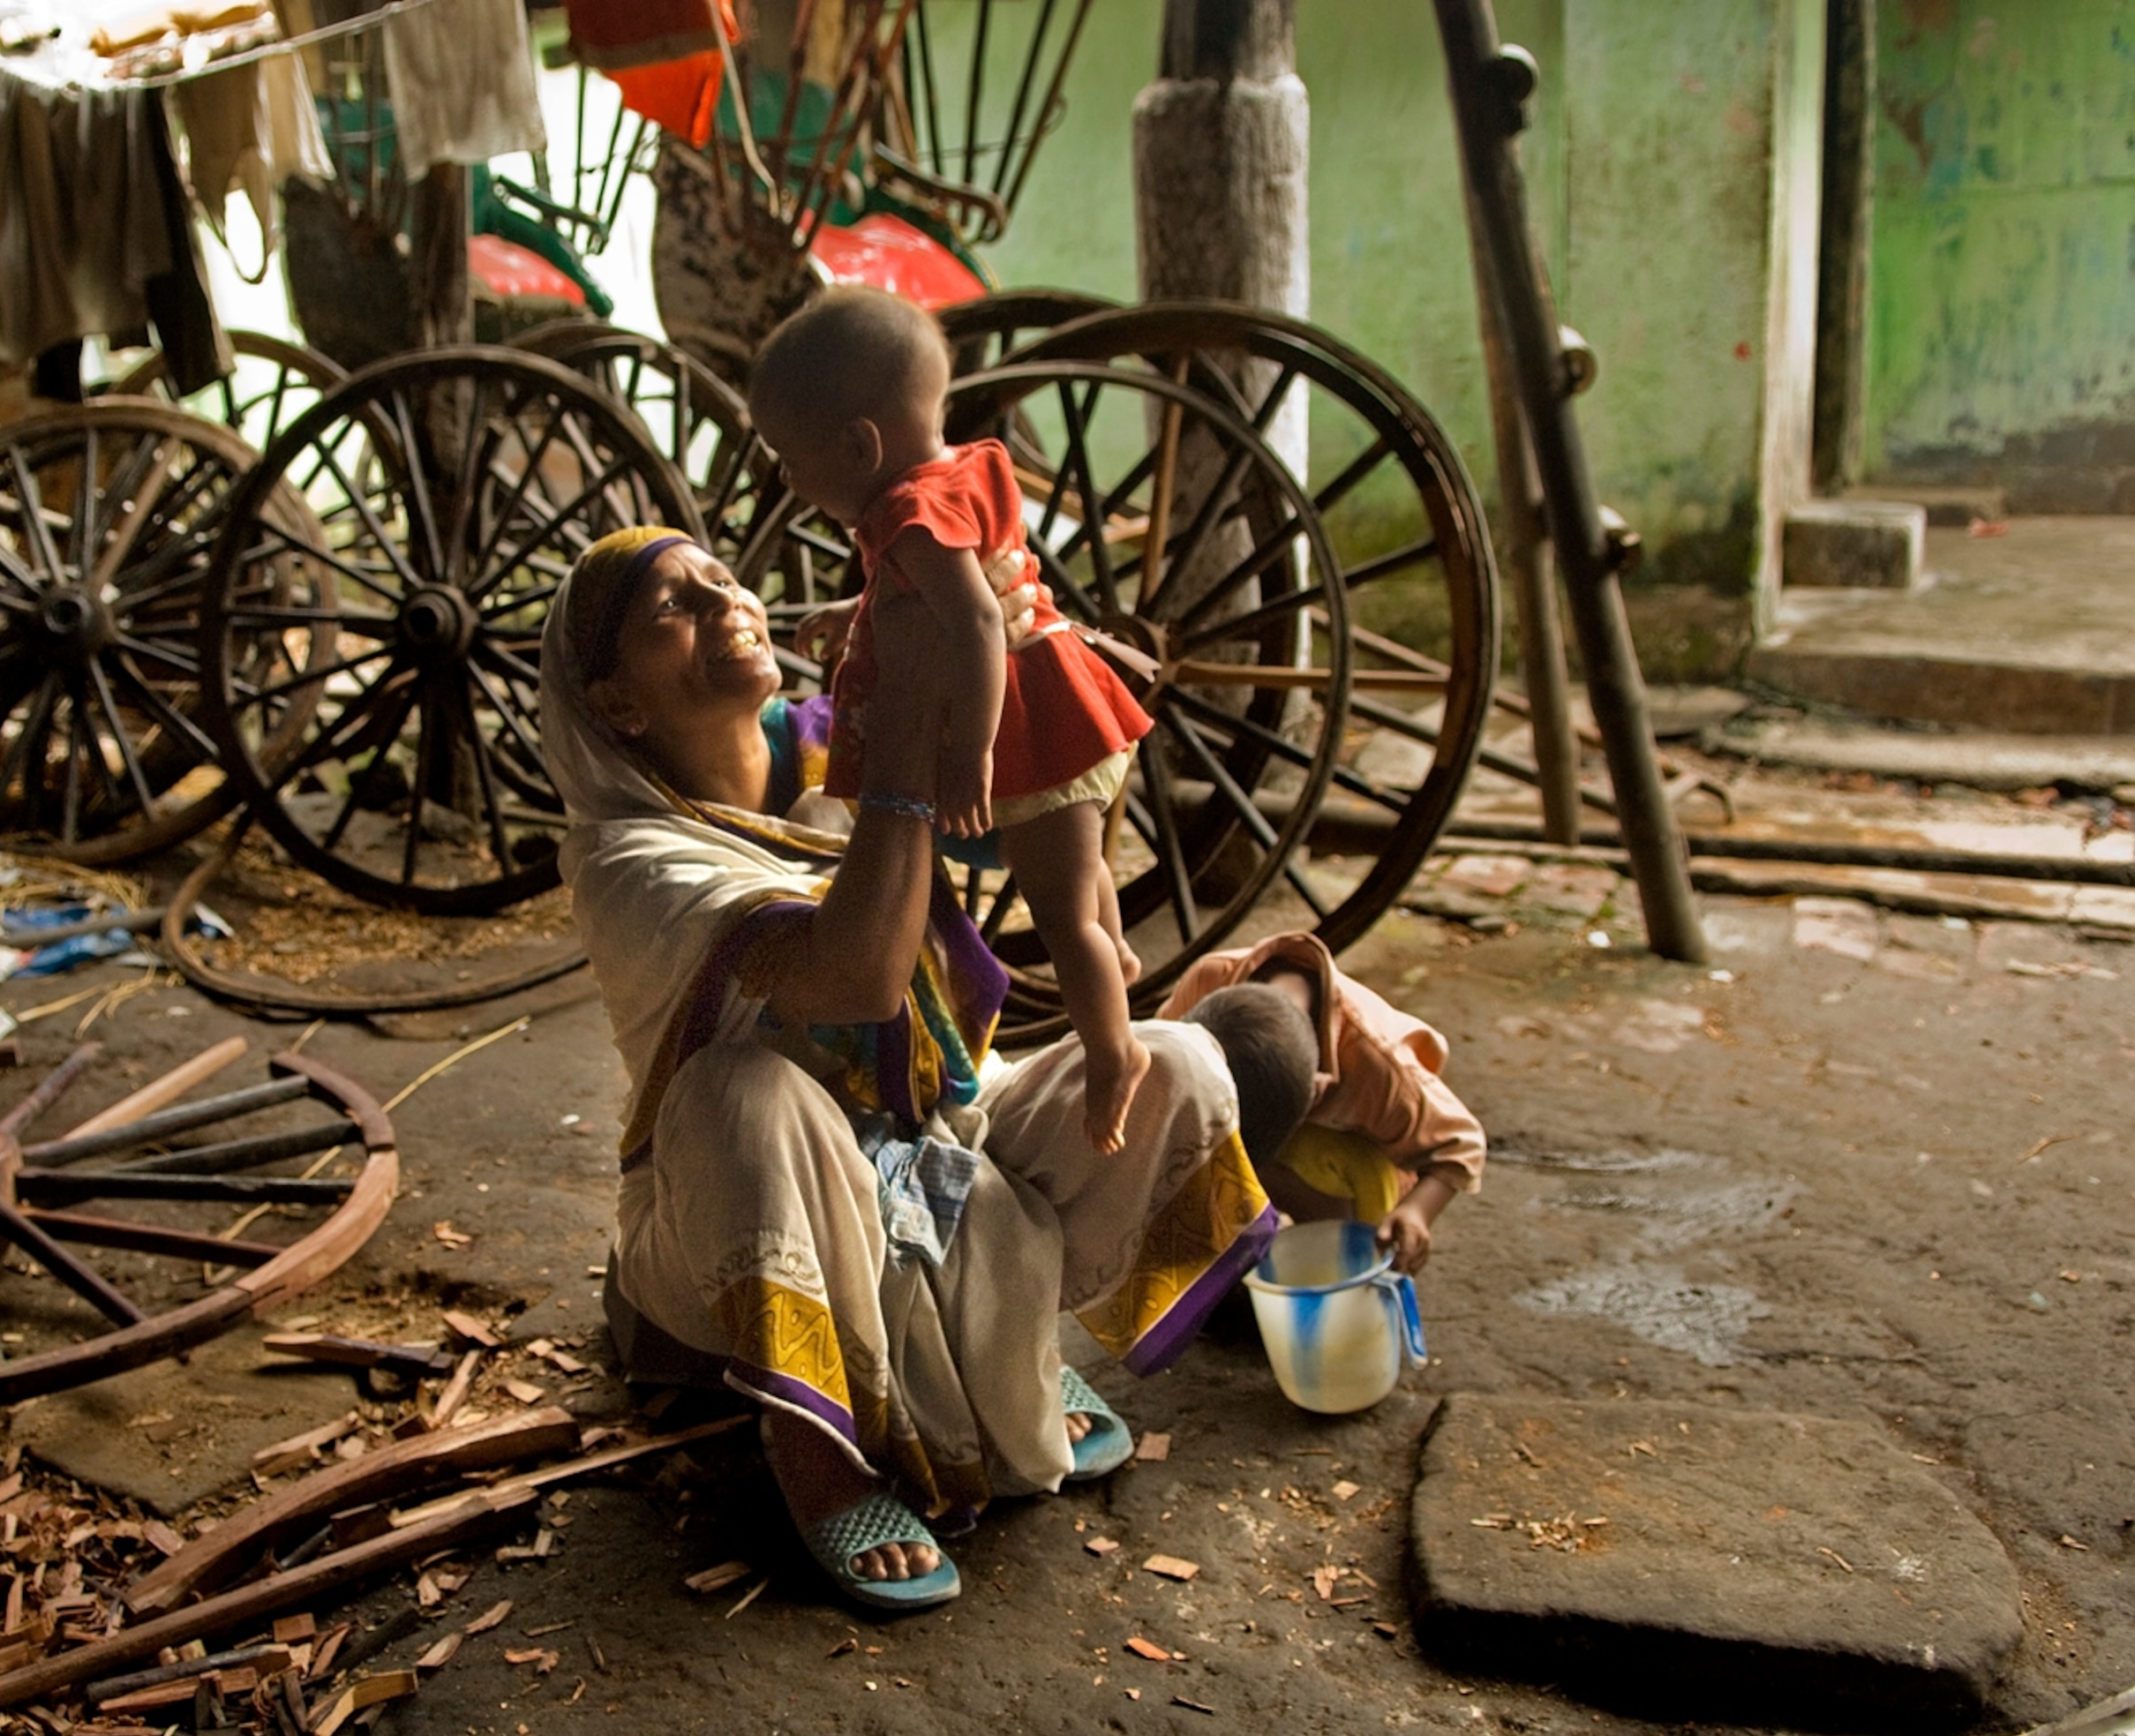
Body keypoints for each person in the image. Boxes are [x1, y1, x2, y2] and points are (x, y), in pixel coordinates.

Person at [546, 524, 1278, 1612]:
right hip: (733, 1231)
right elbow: (856, 982)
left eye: (720, 579)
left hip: (932, 1143)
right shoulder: (628, 858)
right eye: (672, 608)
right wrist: (896, 754)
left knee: (1174, 1061)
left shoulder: (831, 739)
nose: (721, 600)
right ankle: (819, 1455)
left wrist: (1030, 657)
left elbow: (1028, 806)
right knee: (737, 1091)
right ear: (617, 704)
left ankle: (1001, 1347)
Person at [745, 289, 1158, 1155]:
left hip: (1028, 723)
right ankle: (1114, 964)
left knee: (1062, 915)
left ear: (858, 446)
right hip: (1059, 691)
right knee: (1075, 867)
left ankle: (1114, 1054)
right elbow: (930, 590)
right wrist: (852, 612)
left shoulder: (902, 513)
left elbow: (969, 620)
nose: (785, 477)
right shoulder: (952, 472)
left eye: (788, 457)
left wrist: (970, 752)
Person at [1162, 933, 1485, 1274]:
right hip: (1264, 1133)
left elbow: (1461, 1144)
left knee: (1330, 1254)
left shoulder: (1377, 1066)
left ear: (1317, 1090)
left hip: (1347, 1154)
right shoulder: (1208, 979)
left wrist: (1418, 1212)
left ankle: (1330, 1259)